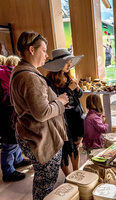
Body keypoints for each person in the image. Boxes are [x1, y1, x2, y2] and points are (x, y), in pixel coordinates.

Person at [10, 31, 69, 199]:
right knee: (45, 183)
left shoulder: (20, 71)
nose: (46, 55)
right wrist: (60, 102)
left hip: (31, 133)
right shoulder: (30, 77)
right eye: (43, 50)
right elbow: (42, 113)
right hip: (40, 137)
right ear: (31, 50)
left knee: (43, 180)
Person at [43, 48, 84, 177]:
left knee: (76, 145)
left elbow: (79, 95)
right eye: (67, 62)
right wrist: (70, 89)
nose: (69, 65)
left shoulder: (69, 76)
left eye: (70, 62)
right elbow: (57, 100)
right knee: (64, 148)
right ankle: (68, 176)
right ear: (58, 64)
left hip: (75, 117)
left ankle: (76, 173)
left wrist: (77, 88)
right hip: (62, 119)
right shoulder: (49, 82)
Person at [0, 55, 32, 182]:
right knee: (9, 144)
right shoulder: (12, 75)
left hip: (9, 113)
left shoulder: (6, 74)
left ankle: (17, 160)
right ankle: (8, 171)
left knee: (15, 139)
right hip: (8, 114)